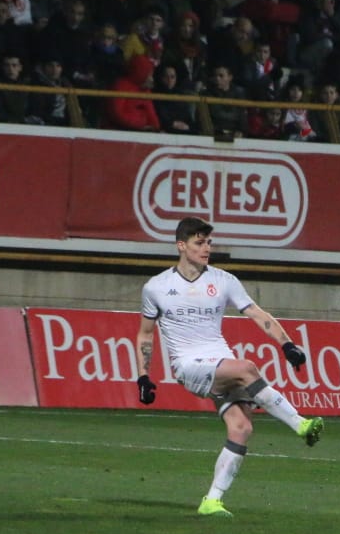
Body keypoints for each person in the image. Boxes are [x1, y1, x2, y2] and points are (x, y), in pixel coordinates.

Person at [134, 217, 324, 518]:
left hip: (219, 360)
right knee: (247, 367)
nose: (206, 248)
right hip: (188, 365)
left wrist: (286, 344)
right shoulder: (156, 287)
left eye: (209, 242)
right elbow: (146, 333)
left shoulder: (224, 281)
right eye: (199, 242)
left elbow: (257, 313)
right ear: (181, 246)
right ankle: (300, 424)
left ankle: (212, 501)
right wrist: (143, 376)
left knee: (242, 428)